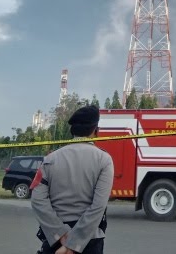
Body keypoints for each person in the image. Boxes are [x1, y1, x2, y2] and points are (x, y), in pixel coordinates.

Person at [31, 105, 114, 254]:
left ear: (72, 131)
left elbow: (37, 200)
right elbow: (98, 207)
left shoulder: (49, 160)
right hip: (89, 242)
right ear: (97, 131)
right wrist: (73, 244)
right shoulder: (104, 160)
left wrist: (61, 235)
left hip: (55, 242)